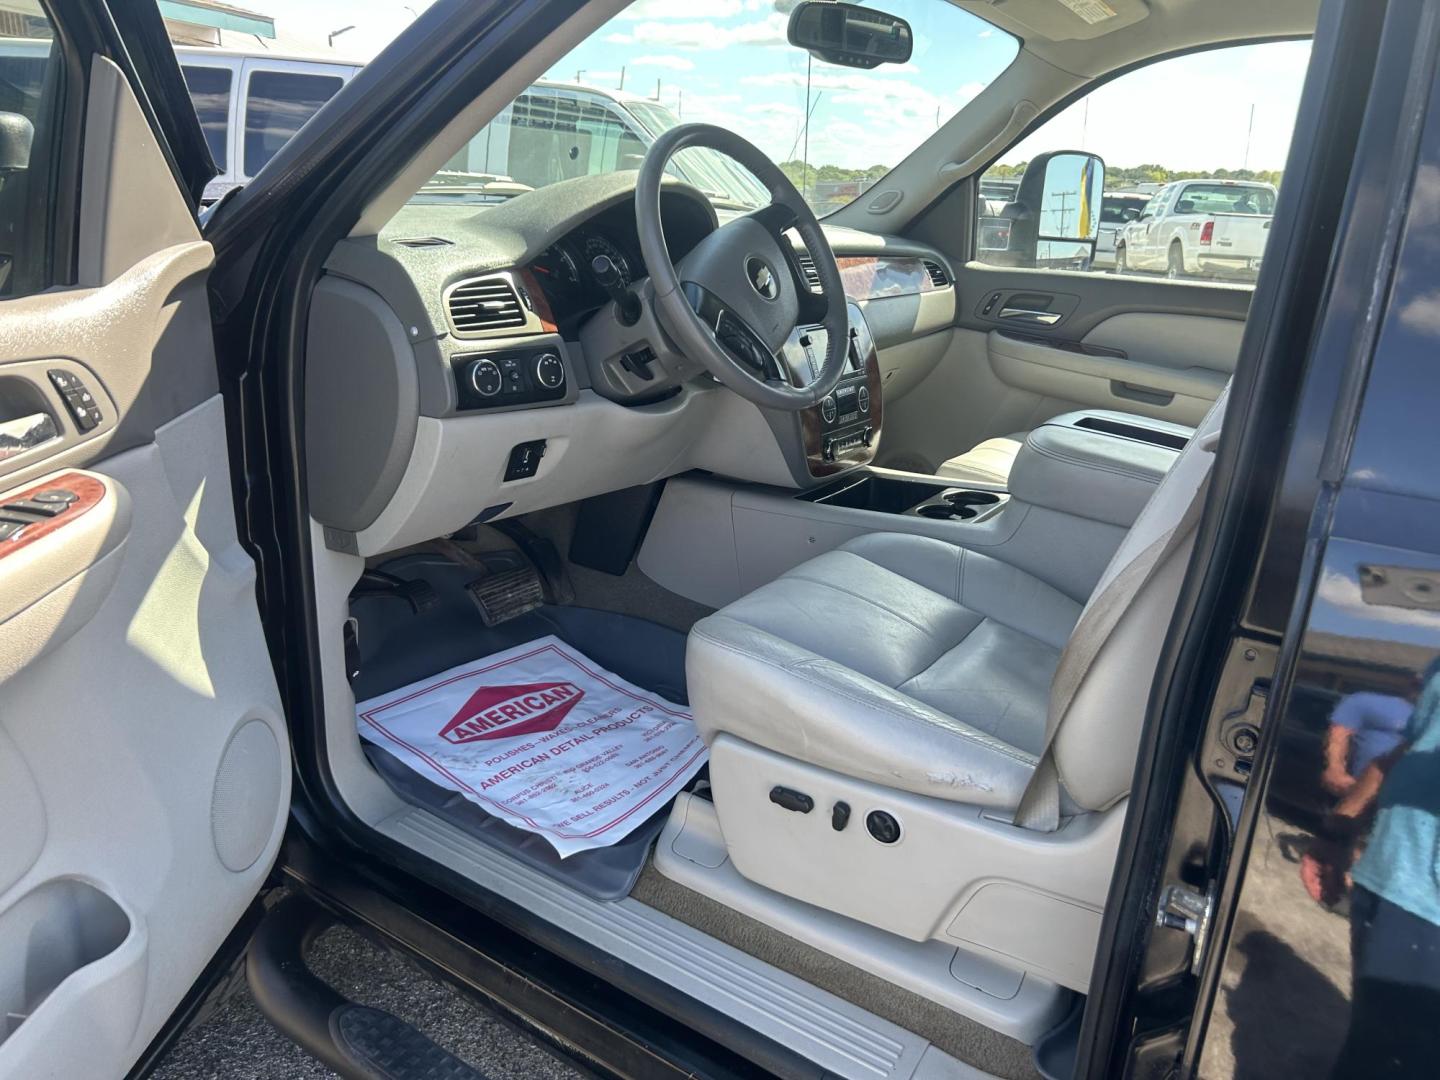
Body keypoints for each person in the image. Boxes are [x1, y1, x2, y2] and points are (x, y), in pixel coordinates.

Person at [1317, 662, 1440, 1077]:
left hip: (1431, 910)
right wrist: (1336, 832)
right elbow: (1408, 751)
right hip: (1386, 878)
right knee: (1370, 1044)